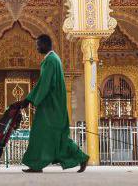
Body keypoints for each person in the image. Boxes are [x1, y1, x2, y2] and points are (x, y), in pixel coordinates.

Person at [10, 34, 88, 173]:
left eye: (38, 45)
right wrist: (30, 99)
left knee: (41, 133)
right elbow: (44, 83)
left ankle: (38, 164)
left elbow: (44, 83)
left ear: (45, 44)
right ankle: (78, 157)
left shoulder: (50, 60)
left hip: (50, 106)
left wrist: (28, 100)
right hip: (53, 105)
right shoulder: (54, 59)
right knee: (56, 136)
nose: (37, 48)